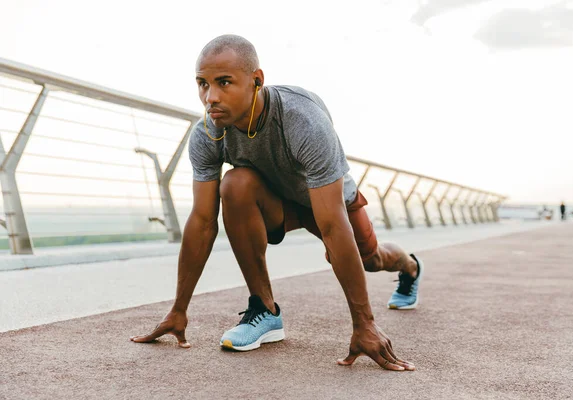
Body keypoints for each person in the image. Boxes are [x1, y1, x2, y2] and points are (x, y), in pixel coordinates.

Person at [130, 35, 422, 371]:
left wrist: (364, 324)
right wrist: (179, 308)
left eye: (224, 83)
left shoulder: (303, 120)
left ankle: (410, 267)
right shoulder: (209, 133)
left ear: (256, 81)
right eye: (202, 84)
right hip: (275, 201)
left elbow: (330, 222)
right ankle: (265, 311)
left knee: (371, 260)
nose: (210, 97)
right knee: (234, 185)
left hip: (327, 200)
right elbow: (202, 221)